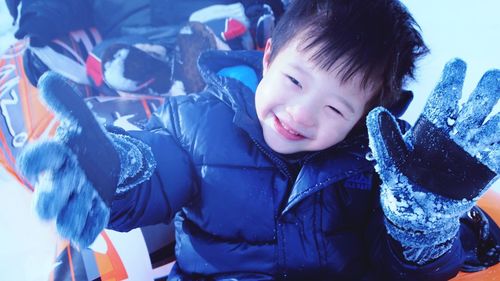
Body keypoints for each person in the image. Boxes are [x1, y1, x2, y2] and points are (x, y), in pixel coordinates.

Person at [17, 0, 499, 280]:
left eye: (335, 108)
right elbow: (156, 168)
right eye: (293, 81)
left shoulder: (380, 168)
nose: (299, 113)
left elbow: (408, 265)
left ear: (369, 117)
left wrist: (421, 224)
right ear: (267, 57)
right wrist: (118, 171)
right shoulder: (200, 124)